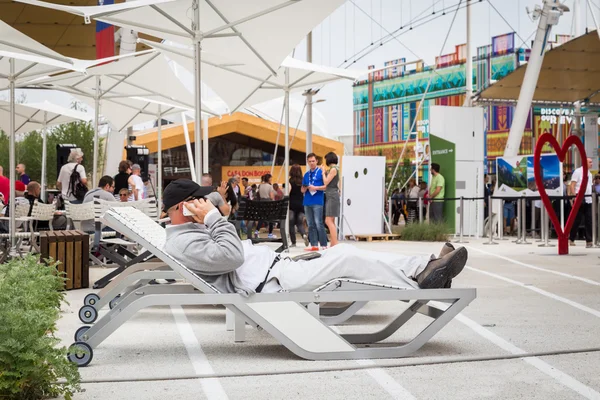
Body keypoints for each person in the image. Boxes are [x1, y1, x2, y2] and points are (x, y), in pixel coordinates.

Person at [162, 179, 468, 295]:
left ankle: (426, 266)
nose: (206, 203)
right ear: (181, 207)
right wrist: (214, 219)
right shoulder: (183, 242)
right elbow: (231, 256)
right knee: (346, 258)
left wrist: (212, 221)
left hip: (280, 270)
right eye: (198, 200)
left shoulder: (191, 231)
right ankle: (425, 275)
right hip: (274, 283)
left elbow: (227, 249)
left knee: (342, 251)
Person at [302, 153, 328, 251]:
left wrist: (316, 187)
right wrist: (304, 188)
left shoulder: (321, 172)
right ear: (307, 162)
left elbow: (326, 186)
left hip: (317, 200)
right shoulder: (306, 174)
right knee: (310, 224)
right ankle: (314, 245)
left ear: (316, 161)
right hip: (307, 201)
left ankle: (324, 244)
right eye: (310, 161)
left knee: (318, 223)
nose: (312, 163)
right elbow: (302, 190)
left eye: (313, 161)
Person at [314, 152, 340, 247]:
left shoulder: (333, 169)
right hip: (331, 195)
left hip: (332, 196)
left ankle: (335, 243)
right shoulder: (335, 169)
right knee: (331, 220)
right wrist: (316, 188)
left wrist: (323, 172)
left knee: (328, 221)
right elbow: (327, 186)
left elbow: (326, 182)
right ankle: (333, 244)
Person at [569, 158, 593, 247]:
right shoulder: (578, 171)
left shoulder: (590, 174)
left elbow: (589, 187)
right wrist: (574, 197)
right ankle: (571, 238)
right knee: (577, 220)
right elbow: (572, 185)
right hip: (579, 197)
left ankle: (589, 241)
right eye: (590, 162)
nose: (592, 163)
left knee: (589, 220)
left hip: (588, 198)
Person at [288, 164, 309, 247]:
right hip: (301, 204)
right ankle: (304, 234)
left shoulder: (290, 181)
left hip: (292, 205)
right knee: (299, 223)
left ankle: (293, 242)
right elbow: (304, 192)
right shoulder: (303, 181)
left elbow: (288, 192)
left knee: (291, 223)